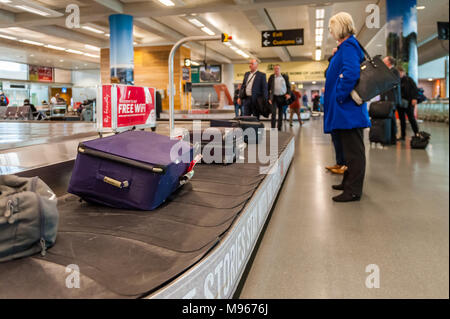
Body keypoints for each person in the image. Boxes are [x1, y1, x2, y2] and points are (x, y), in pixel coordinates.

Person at [324, 12, 371, 202]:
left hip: (347, 109)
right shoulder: (344, 46)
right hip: (343, 110)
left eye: (331, 27)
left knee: (354, 152)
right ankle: (347, 182)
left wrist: (340, 96)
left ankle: (353, 190)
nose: (330, 31)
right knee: (346, 150)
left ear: (340, 26)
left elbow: (351, 73)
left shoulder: (349, 45)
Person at [380, 56, 401, 144]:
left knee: (392, 117)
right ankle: (387, 136)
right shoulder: (385, 71)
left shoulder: (394, 71)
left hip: (392, 98)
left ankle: (393, 137)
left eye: (384, 61)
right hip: (386, 98)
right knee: (388, 117)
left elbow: (394, 82)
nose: (383, 62)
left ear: (389, 63)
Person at [397, 66, 420, 141]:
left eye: (400, 72)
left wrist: (414, 98)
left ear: (403, 72)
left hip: (409, 102)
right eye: (398, 73)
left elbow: (415, 89)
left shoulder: (409, 79)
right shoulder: (397, 80)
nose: (399, 74)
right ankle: (403, 136)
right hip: (400, 103)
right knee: (402, 119)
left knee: (411, 118)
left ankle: (417, 133)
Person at [268, 64, 291, 130]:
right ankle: (272, 128)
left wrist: (288, 94)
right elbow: (268, 88)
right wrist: (269, 98)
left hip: (282, 97)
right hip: (274, 97)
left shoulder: (285, 77)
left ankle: (279, 128)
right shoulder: (271, 77)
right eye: (275, 69)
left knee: (281, 113)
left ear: (280, 69)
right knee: (273, 113)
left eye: (277, 68)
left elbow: (288, 87)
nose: (276, 70)